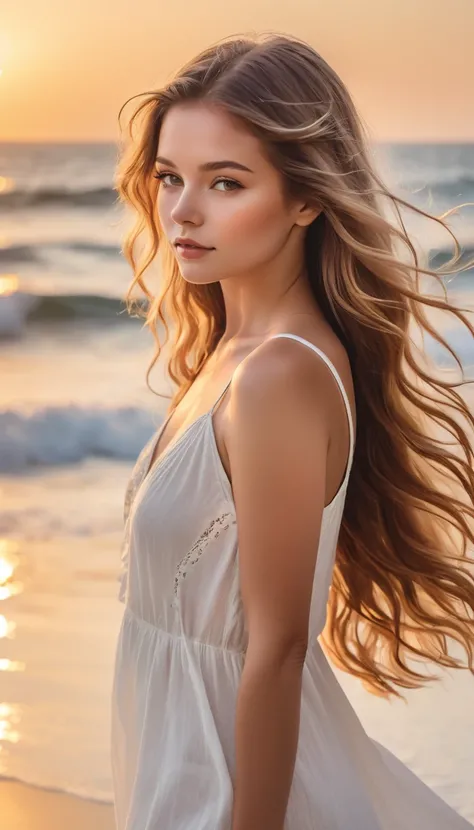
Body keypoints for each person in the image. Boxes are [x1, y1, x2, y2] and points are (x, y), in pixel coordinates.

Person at [110, 32, 474, 830]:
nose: (183, 210)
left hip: (234, 784)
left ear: (307, 199)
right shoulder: (229, 355)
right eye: (170, 177)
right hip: (182, 757)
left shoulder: (279, 374)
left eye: (227, 182)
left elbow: (275, 655)